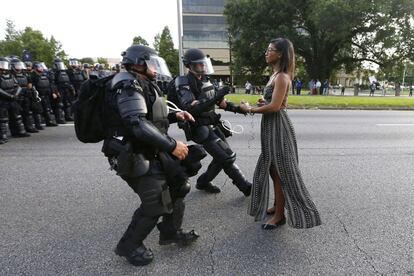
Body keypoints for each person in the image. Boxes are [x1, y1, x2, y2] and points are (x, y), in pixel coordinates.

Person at [101, 45, 199, 266]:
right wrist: (172, 145)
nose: (155, 67)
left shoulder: (141, 82)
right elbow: (137, 124)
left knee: (179, 185)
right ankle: (129, 246)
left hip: (149, 149)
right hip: (131, 153)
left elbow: (151, 116)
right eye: (151, 63)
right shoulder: (126, 84)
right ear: (138, 64)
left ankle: (170, 232)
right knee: (155, 201)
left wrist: (176, 115)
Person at [239, 38, 321, 230]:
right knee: (272, 169)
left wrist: (249, 109)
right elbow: (275, 102)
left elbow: (276, 107)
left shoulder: (282, 76)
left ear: (281, 54)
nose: (266, 53)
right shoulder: (275, 75)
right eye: (267, 49)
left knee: (280, 171)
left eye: (270, 50)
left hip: (278, 127)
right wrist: (263, 102)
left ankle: (279, 215)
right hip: (270, 126)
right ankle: (278, 206)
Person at [170, 48, 252, 196]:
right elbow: (192, 109)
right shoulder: (183, 82)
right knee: (227, 158)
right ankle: (245, 187)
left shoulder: (206, 80)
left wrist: (241, 109)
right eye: (200, 64)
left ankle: (203, 182)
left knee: (223, 157)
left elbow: (222, 103)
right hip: (199, 127)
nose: (203, 66)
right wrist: (215, 97)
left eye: (204, 64)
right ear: (190, 65)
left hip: (213, 124)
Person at [0, 57, 30, 142]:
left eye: (3, 64)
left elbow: (17, 86)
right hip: (2, 100)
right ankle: (3, 136)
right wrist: (9, 96)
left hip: (12, 99)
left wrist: (15, 95)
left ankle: (19, 131)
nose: (2, 67)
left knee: (17, 116)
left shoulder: (11, 76)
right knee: (3, 119)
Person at [31, 62, 58, 127]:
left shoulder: (45, 75)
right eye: (39, 67)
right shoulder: (33, 76)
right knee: (38, 110)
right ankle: (38, 124)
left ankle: (49, 122)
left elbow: (50, 84)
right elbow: (32, 86)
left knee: (47, 109)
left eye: (41, 67)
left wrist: (53, 92)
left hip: (46, 95)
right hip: (38, 95)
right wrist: (35, 95)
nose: (40, 68)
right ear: (35, 68)